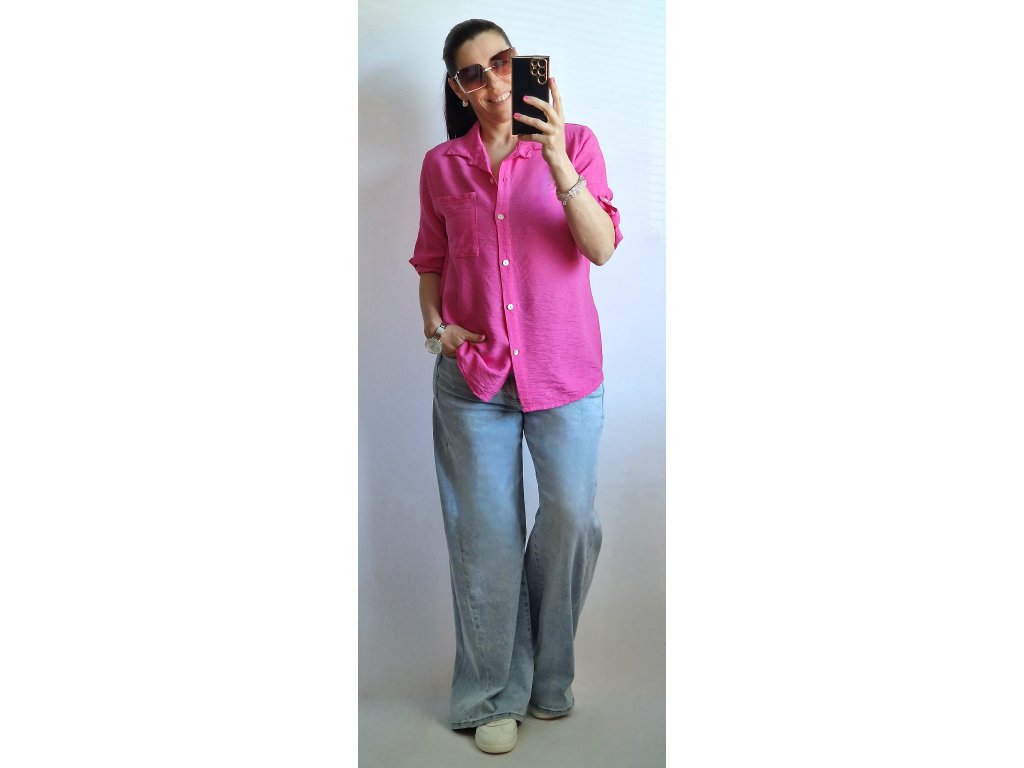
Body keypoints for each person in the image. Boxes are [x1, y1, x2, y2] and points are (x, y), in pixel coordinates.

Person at [409, 18, 622, 755]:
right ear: (458, 89)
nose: (494, 81)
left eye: (502, 62)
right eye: (474, 73)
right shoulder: (442, 165)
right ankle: (490, 694)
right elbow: (430, 259)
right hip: (473, 381)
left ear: (522, 65)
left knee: (572, 522)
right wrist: (436, 327)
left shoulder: (576, 142)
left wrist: (557, 158)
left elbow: (600, 247)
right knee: (485, 541)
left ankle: (547, 675)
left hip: (565, 372)